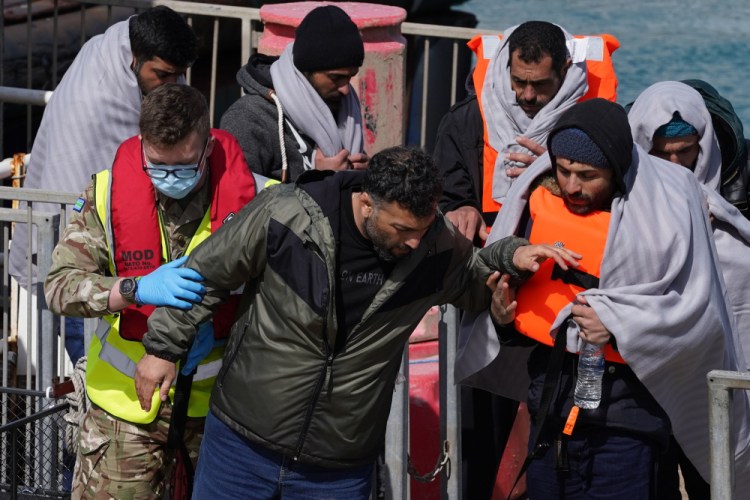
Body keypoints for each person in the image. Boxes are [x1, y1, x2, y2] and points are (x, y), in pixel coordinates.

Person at [132, 146, 580, 498]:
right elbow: (203, 274)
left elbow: (477, 279)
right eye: (402, 229)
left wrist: (513, 258)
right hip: (242, 444)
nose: (414, 241)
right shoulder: (285, 214)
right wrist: (163, 348)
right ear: (366, 203)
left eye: (423, 229)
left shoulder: (434, 246)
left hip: (338, 467)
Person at [456, 98, 750, 498]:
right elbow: (526, 322)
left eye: (589, 175)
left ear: (616, 168)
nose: (573, 186)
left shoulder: (669, 208)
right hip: (552, 411)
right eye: (564, 171)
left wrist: (618, 324)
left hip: (628, 422)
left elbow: (697, 315)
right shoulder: (536, 200)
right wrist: (503, 318)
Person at [43, 83, 256, 498]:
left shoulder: (258, 199)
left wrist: (229, 321)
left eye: (183, 166)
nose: (170, 178)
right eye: (157, 166)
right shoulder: (104, 194)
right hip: (121, 418)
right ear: (141, 145)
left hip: (219, 417)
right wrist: (135, 287)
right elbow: (59, 287)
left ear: (208, 147)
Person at [10, 5, 198, 365]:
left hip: (118, 264)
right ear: (134, 58)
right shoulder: (99, 98)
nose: (173, 87)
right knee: (95, 361)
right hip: (82, 253)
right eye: (163, 75)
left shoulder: (112, 46)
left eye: (179, 76)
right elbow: (125, 178)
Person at [629, 80, 750, 498]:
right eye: (663, 155)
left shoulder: (740, 170)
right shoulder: (623, 180)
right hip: (657, 357)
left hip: (726, 349)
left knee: (716, 472)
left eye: (687, 152)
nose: (677, 165)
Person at [432, 20, 618, 243]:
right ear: (507, 66)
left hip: (562, 247)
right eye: (518, 81)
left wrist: (554, 176)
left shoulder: (600, 125)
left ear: (565, 68)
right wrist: (461, 207)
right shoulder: (465, 119)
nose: (527, 95)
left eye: (540, 84)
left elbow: (618, 193)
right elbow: (445, 187)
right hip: (484, 246)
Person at [220, 4, 369, 184]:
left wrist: (365, 174)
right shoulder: (248, 118)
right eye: (336, 77)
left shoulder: (341, 105)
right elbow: (239, 197)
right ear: (305, 71)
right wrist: (315, 178)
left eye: (350, 77)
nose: (346, 89)